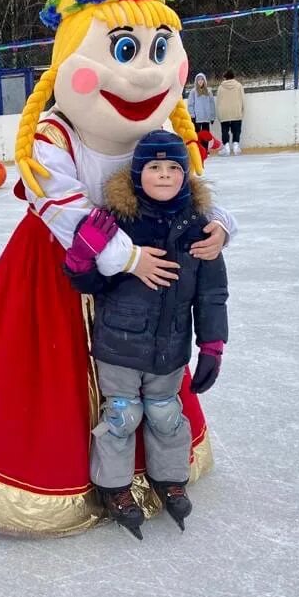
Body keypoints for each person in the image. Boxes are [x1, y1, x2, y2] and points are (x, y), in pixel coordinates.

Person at [0, 0, 237, 537]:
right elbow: (62, 205)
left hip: (147, 277)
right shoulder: (53, 134)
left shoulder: (157, 137)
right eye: (124, 50)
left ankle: (152, 471)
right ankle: (56, 479)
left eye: (159, 51)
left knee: (151, 377)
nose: (144, 72)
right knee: (52, 376)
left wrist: (217, 226)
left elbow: (184, 190)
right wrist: (128, 256)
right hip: (58, 271)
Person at [64, 130, 228, 539]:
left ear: (185, 174)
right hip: (118, 344)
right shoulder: (117, 222)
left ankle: (169, 478)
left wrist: (212, 344)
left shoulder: (201, 228)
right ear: (138, 173)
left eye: (174, 167)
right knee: (121, 416)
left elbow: (212, 294)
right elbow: (86, 283)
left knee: (165, 414)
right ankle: (114, 487)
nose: (164, 175)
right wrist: (83, 255)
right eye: (154, 167)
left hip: (171, 346)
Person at [186, 73, 217, 156]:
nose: (200, 81)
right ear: (196, 81)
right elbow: (190, 104)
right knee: (198, 135)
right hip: (197, 118)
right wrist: (192, 115)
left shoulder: (208, 91)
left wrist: (212, 116)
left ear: (204, 81)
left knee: (206, 135)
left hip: (206, 117)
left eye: (202, 79)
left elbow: (212, 104)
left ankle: (205, 150)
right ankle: (198, 150)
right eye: (198, 80)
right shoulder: (193, 92)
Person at [216, 70, 245, 155]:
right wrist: (242, 111)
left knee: (225, 130)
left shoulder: (221, 87)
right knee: (236, 130)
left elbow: (218, 101)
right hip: (236, 111)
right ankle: (236, 146)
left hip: (224, 112)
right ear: (233, 77)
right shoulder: (239, 86)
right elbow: (243, 99)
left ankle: (226, 147)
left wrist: (219, 114)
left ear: (225, 77)